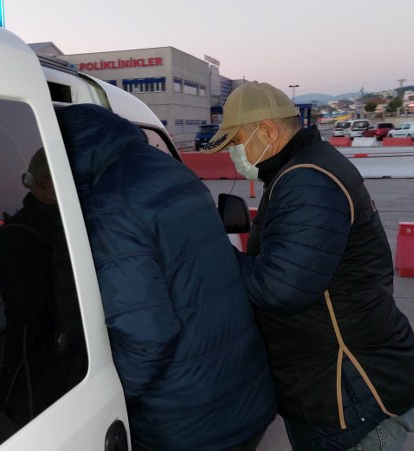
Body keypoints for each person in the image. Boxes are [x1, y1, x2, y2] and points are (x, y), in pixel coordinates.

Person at [202, 82, 414, 451]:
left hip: (351, 396)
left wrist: (210, 255)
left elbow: (281, 288)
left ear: (268, 131)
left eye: (237, 142)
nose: (234, 154)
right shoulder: (304, 169)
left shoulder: (308, 180)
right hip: (331, 389)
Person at [56, 104, 276, 451]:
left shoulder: (110, 205)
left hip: (187, 420)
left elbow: (146, 337)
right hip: (243, 395)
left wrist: (107, 404)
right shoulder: (172, 171)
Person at [0, 149, 87, 426]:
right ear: (43, 185)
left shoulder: (66, 221)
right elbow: (36, 315)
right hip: (45, 381)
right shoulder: (17, 236)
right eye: (66, 179)